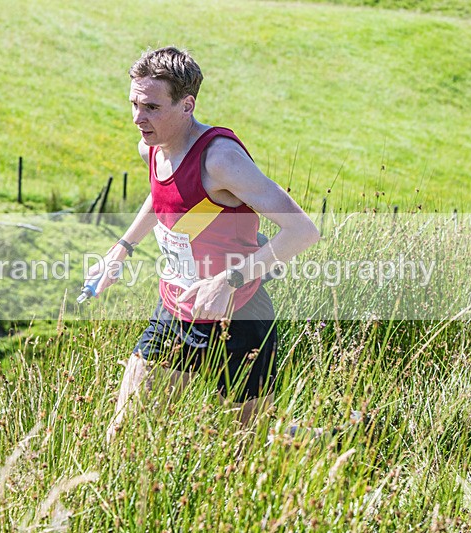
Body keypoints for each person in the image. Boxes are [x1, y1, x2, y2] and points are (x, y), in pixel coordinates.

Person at [84, 47, 320, 442]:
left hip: (239, 313)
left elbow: (303, 231)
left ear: (187, 105)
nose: (138, 118)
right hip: (175, 307)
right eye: (133, 104)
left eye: (152, 107)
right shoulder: (152, 145)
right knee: (123, 435)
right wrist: (120, 249)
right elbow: (164, 198)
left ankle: (334, 441)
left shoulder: (221, 159)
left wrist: (228, 280)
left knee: (251, 440)